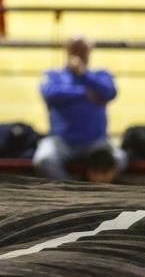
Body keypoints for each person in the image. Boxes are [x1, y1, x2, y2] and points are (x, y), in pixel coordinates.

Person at [33, 36, 127, 180]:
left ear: (89, 52)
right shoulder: (53, 75)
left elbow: (110, 91)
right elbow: (49, 93)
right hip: (61, 141)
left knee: (120, 159)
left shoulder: (100, 75)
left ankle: (95, 191)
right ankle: (71, 189)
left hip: (96, 141)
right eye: (75, 50)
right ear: (68, 51)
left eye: (83, 50)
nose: (79, 54)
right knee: (43, 160)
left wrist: (83, 74)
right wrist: (84, 92)